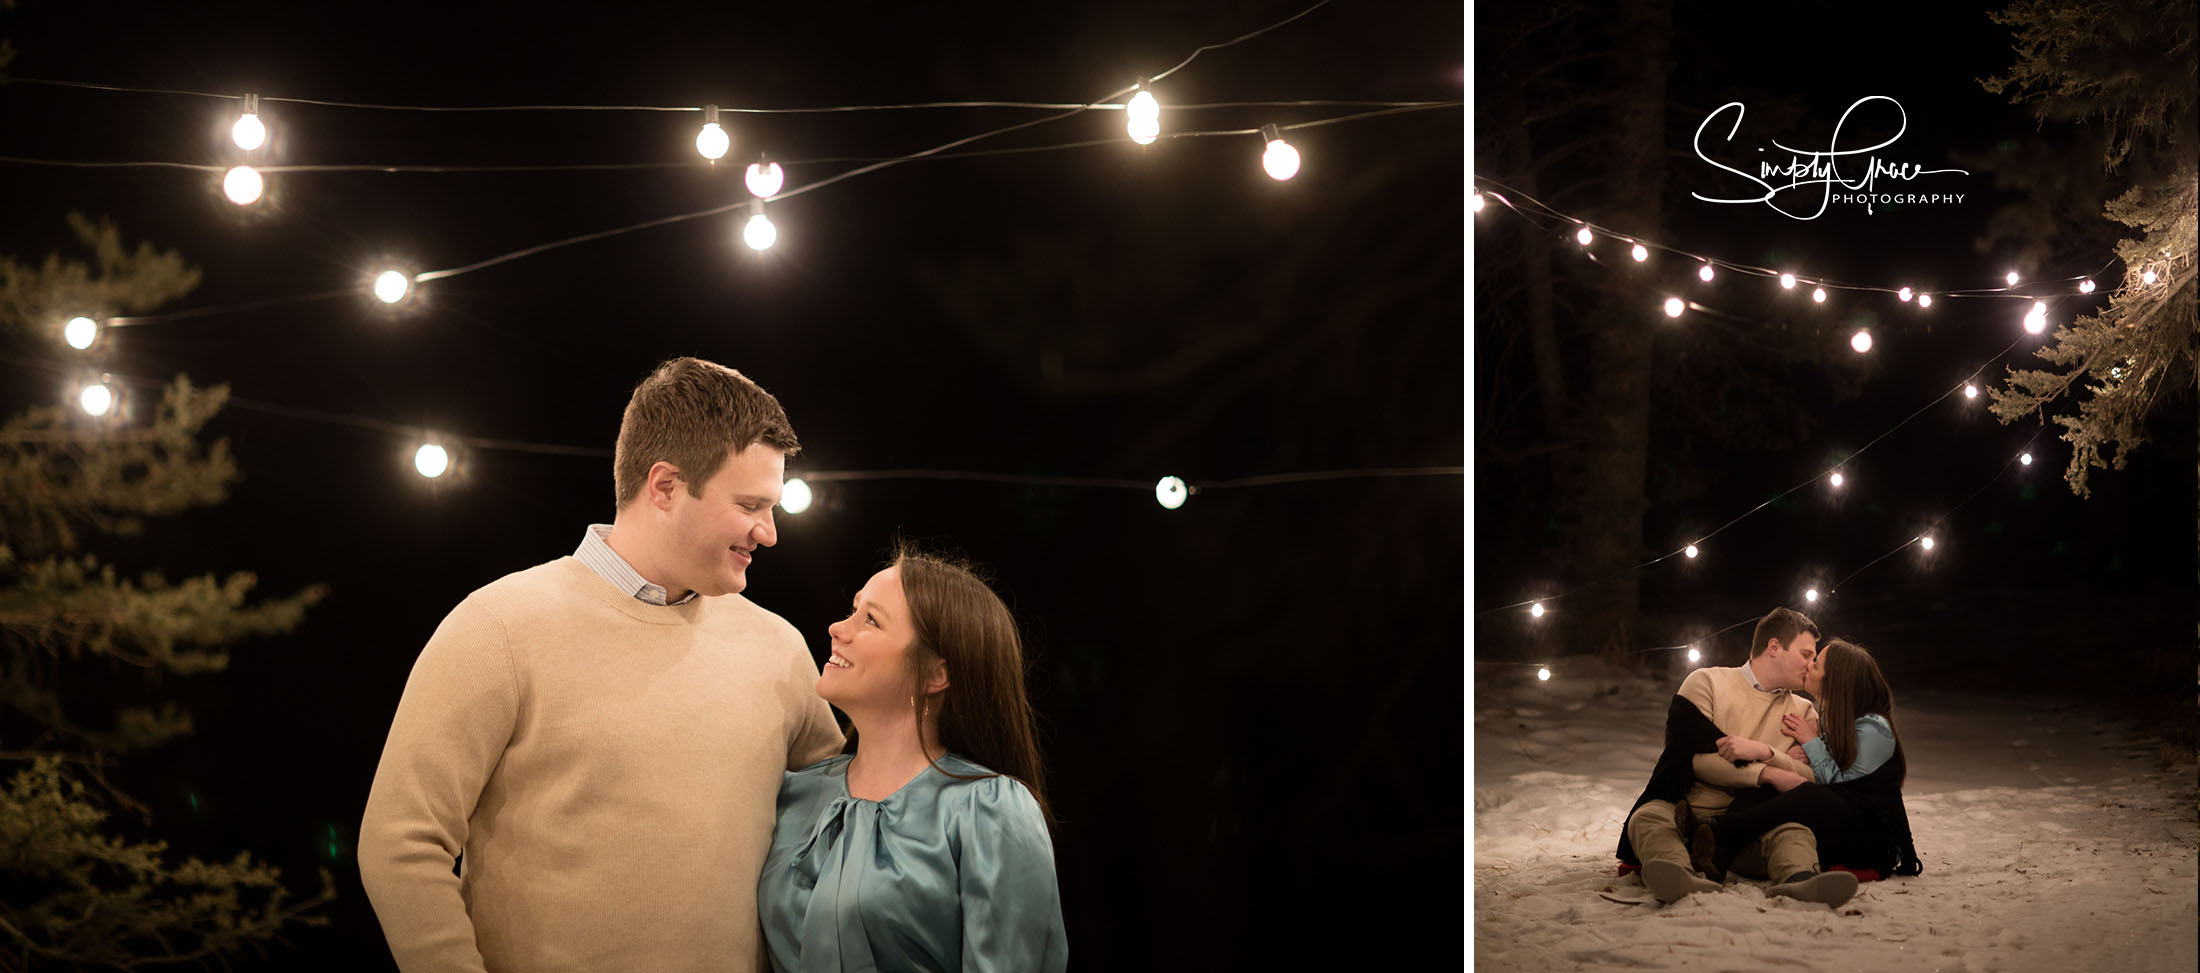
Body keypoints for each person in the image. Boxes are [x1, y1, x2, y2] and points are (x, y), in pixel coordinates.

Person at [359, 358, 845, 972]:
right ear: (664, 486)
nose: (769, 533)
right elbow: (400, 844)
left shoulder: (780, 651)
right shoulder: (499, 626)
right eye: (751, 504)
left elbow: (845, 833)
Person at [759, 545, 1067, 972]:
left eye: (871, 620)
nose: (836, 628)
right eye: (853, 609)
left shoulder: (988, 808)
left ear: (936, 674)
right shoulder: (795, 792)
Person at [1615, 607, 1859, 907]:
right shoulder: (1707, 682)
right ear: (1774, 647)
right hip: (1687, 814)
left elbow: (1807, 782)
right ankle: (1678, 874)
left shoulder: (1803, 712)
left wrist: (1769, 757)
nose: (1811, 665)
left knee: (1793, 830)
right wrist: (1769, 772)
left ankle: (1800, 881)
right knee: (1648, 817)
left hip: (1752, 826)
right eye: (1806, 654)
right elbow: (1696, 760)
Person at [1688, 639, 1924, 882]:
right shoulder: (1836, 721)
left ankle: (1717, 830)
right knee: (1767, 787)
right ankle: (1719, 856)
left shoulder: (1875, 728)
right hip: (1840, 825)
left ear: (1835, 682)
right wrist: (1800, 755)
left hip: (1870, 840)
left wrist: (1812, 743)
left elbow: (1836, 785)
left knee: (1809, 795)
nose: (1809, 666)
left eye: (1817, 664)